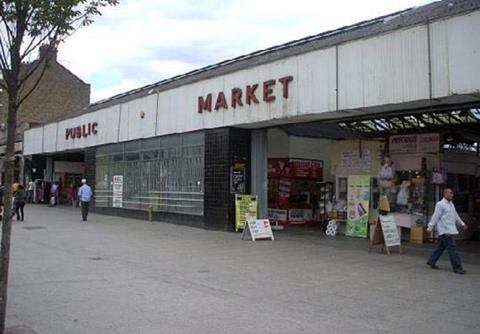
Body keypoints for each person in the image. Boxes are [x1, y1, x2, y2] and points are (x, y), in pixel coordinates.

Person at [426, 188, 468, 275]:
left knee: (441, 247)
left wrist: (462, 223)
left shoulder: (451, 204)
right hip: (445, 230)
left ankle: (432, 261)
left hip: (450, 229)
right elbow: (435, 216)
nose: (452, 195)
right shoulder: (440, 204)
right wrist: (430, 226)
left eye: (452, 193)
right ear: (445, 194)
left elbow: (455, 215)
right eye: (450, 193)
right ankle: (458, 267)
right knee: (453, 250)